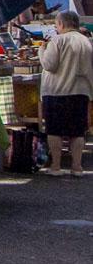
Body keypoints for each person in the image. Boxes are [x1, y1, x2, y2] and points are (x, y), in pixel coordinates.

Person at [40, 10, 93, 176]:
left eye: (57, 24)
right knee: (77, 131)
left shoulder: (58, 40)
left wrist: (42, 50)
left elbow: (49, 65)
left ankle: (56, 166)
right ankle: (77, 167)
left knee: (54, 130)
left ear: (61, 24)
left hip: (57, 92)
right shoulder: (86, 41)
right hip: (81, 92)